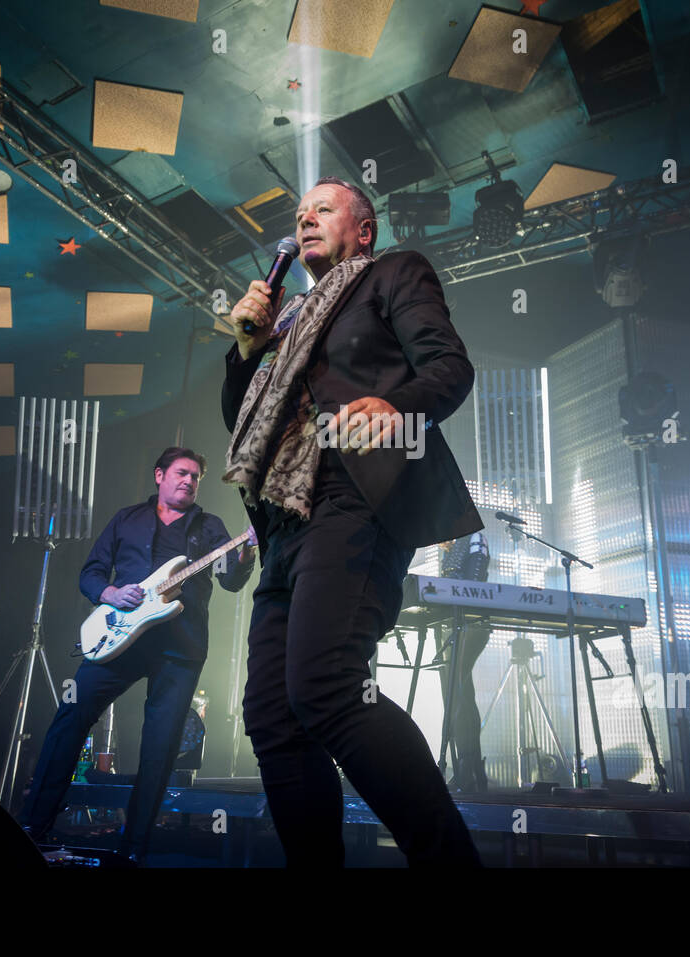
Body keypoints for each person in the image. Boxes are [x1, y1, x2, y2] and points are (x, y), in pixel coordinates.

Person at [221, 175, 484, 866]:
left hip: (353, 496)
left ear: (363, 230)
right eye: (299, 213)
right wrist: (247, 350)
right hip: (283, 522)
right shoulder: (288, 322)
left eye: (323, 210)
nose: (304, 220)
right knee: (273, 718)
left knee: (327, 684)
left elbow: (450, 365)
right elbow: (245, 426)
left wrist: (400, 407)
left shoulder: (393, 274)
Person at [19, 446, 255, 863]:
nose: (189, 481)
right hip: (118, 636)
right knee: (69, 717)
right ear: (159, 475)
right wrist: (110, 592)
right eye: (182, 473)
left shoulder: (210, 528)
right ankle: (32, 827)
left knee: (160, 746)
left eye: (196, 476)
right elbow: (91, 572)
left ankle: (134, 850)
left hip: (180, 647)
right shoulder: (127, 519)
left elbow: (233, 581)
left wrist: (246, 551)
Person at [437, 531, 491, 793]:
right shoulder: (449, 546)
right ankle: (471, 770)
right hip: (452, 624)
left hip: (472, 623)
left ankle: (467, 768)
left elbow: (474, 583)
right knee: (462, 693)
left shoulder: (473, 538)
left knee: (457, 692)